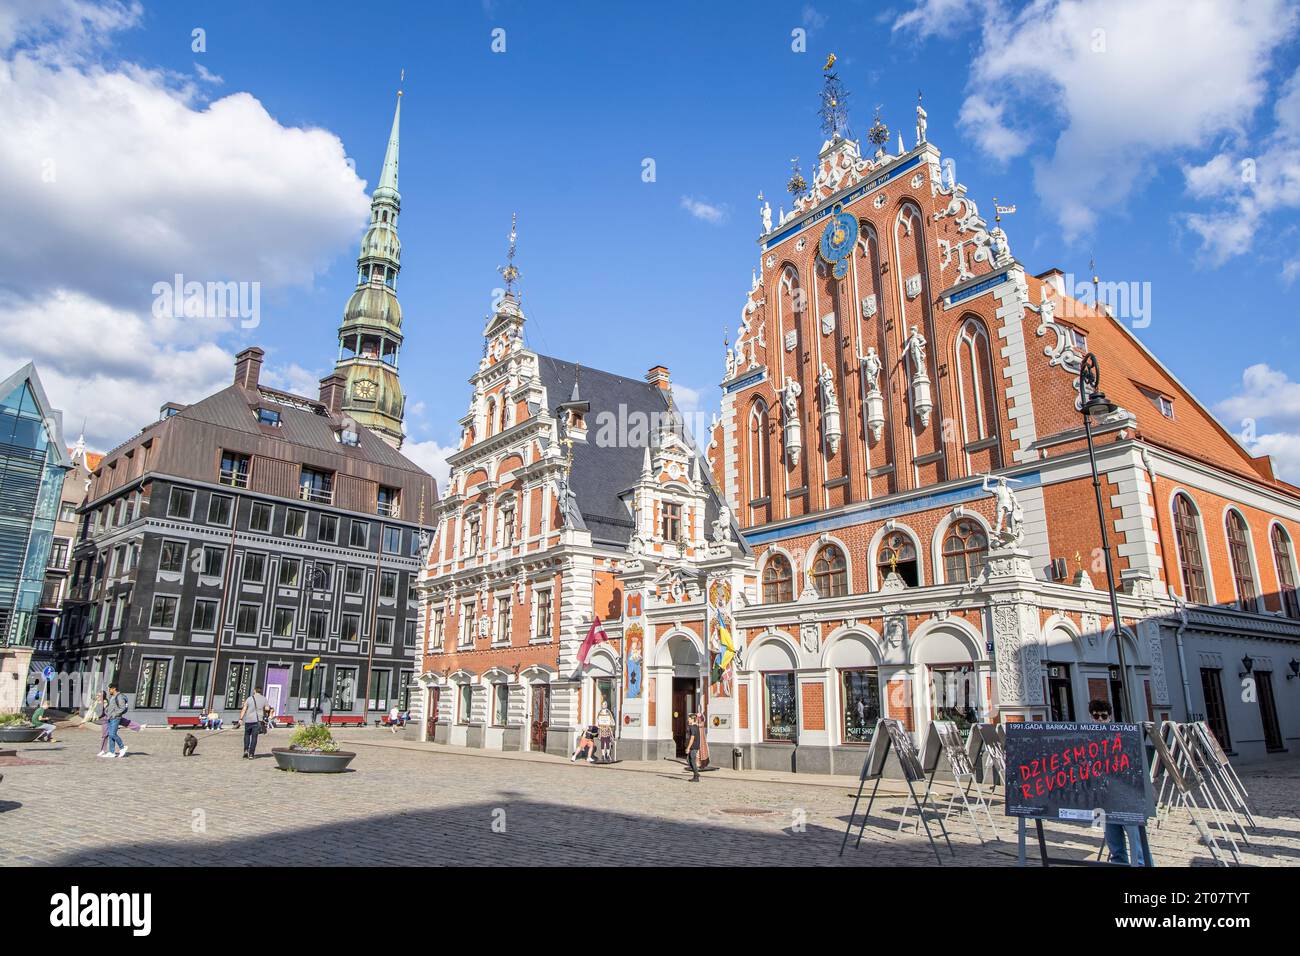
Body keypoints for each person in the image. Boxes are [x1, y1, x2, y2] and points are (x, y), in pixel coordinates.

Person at [1089, 698, 1146, 866]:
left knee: (1136, 843)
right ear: (1091, 717)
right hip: (1103, 798)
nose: (1100, 720)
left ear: (1110, 717)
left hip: (1126, 797)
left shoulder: (1122, 736)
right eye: (1096, 716)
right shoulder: (1089, 739)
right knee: (1114, 844)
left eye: (1103, 716)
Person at [239, 685, 270, 759]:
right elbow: (267, 708)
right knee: (254, 737)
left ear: (254, 690)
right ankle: (251, 754)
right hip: (258, 720)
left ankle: (246, 750)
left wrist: (241, 719)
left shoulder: (249, 699)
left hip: (248, 720)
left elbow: (244, 709)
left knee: (247, 735)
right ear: (261, 691)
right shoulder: (264, 699)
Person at [103, 683, 130, 758]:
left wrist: (115, 714)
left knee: (112, 734)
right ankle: (112, 752)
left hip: (115, 718)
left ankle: (122, 747)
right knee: (110, 735)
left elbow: (122, 707)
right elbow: (110, 707)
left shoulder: (119, 696)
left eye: (110, 688)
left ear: (114, 688)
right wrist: (107, 711)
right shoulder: (112, 696)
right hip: (110, 717)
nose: (109, 690)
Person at [685, 714, 702, 782]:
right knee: (690, 761)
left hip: (693, 747)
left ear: (692, 719)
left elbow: (692, 738)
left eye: (689, 719)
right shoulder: (696, 727)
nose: (688, 720)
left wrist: (688, 748)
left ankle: (696, 776)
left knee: (692, 761)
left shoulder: (692, 727)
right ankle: (696, 774)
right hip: (695, 746)